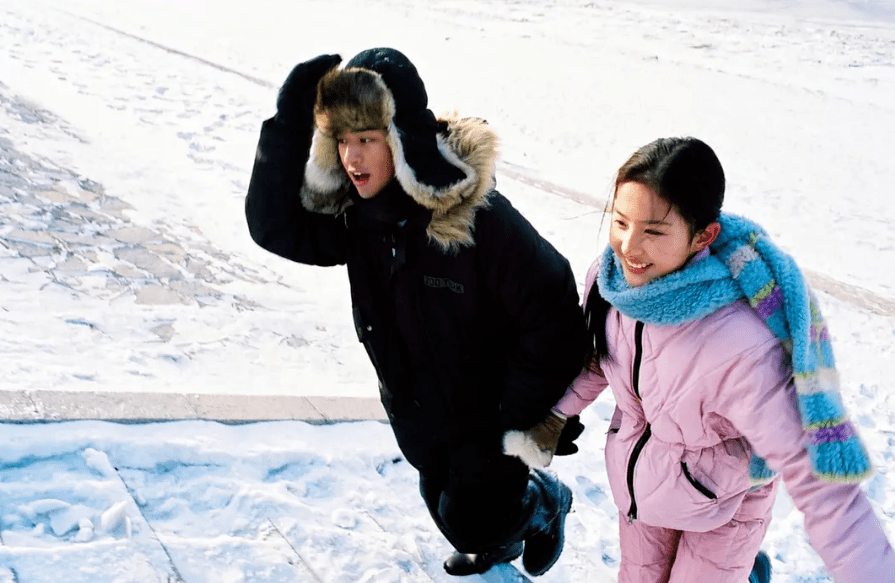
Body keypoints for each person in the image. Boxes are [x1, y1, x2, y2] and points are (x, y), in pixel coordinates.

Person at [244, 48, 587, 577]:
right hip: (419, 410)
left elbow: (555, 308)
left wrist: (518, 420)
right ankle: (497, 528)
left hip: (491, 417)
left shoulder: (475, 221)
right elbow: (275, 228)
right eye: (344, 141)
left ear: (402, 140)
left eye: (368, 140)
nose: (353, 158)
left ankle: (541, 504)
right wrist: (287, 123)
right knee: (447, 507)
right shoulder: (357, 220)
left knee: (473, 519)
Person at [506, 137, 895, 582]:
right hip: (644, 486)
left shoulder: (739, 342)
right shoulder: (610, 281)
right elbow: (601, 357)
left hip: (726, 505)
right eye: (620, 221)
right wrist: (556, 415)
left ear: (703, 236)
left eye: (653, 231)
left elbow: (816, 476)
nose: (629, 246)